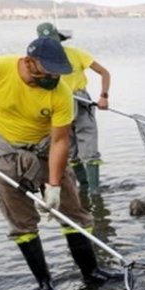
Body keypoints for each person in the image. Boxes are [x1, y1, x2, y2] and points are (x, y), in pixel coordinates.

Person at [0, 36, 119, 290]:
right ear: (29, 62)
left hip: (44, 149)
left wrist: (53, 185)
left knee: (73, 212)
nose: (54, 78)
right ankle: (44, 283)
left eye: (58, 72)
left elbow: (60, 142)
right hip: (5, 151)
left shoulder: (61, 93)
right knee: (21, 221)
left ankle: (91, 273)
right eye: (48, 71)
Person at [36, 21, 111, 193]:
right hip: (57, 105)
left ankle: (95, 192)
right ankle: (83, 187)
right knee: (69, 150)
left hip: (81, 102)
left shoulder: (76, 54)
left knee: (89, 148)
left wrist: (104, 96)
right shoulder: (38, 61)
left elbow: (104, 73)